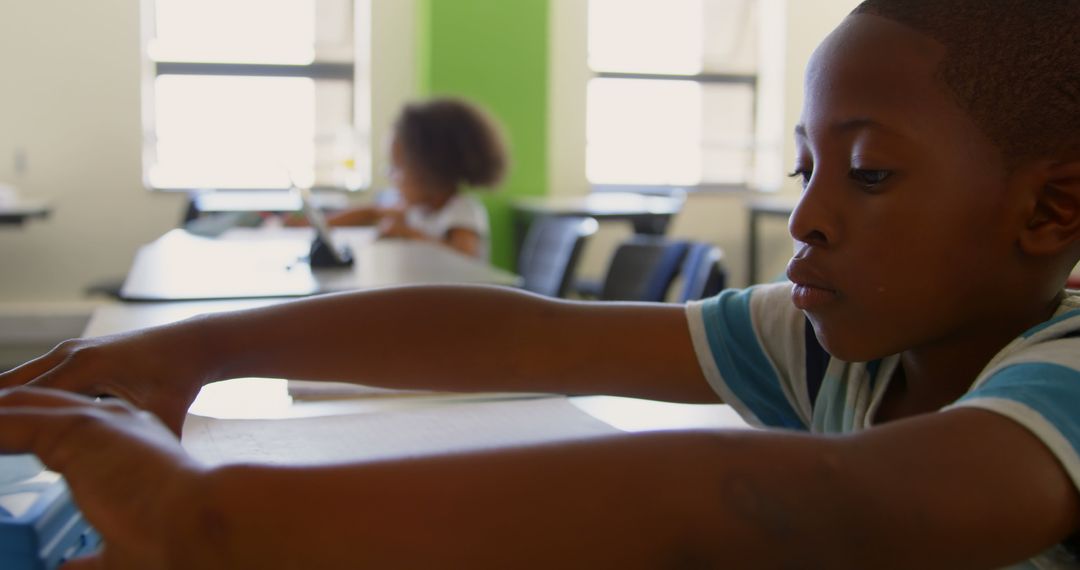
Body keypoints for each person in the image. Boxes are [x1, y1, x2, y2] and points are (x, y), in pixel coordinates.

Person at [2, 0, 1080, 567]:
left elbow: (798, 514)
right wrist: (200, 348)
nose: (805, 216)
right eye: (803, 167)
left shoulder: (1062, 383)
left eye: (870, 171)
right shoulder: (833, 344)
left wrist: (229, 521)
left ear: (1049, 211)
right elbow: (527, 339)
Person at [295, 97, 507, 260]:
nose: (391, 176)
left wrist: (408, 234)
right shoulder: (419, 210)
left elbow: (464, 255)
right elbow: (370, 213)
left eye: (397, 168)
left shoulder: (461, 209)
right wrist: (311, 225)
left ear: (430, 171)